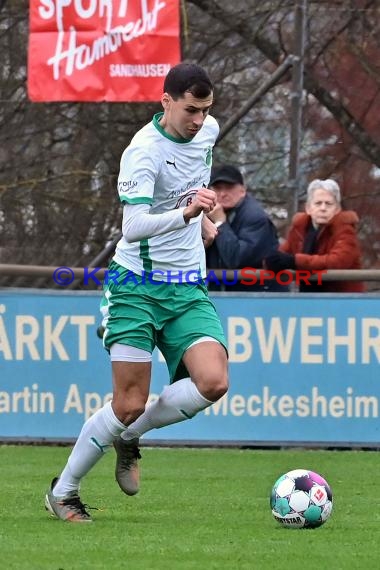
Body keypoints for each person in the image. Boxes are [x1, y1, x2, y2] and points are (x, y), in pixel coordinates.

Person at [45, 63, 229, 522]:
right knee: (126, 404)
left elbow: (189, 188)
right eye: (190, 109)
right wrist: (187, 215)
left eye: (205, 110)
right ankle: (64, 492)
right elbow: (132, 228)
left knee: (213, 382)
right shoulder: (142, 151)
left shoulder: (208, 132)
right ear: (165, 101)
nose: (199, 120)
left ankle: (129, 438)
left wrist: (203, 219)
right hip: (137, 288)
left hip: (187, 285)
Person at [265, 178, 365, 292]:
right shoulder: (300, 227)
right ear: (308, 208)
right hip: (308, 298)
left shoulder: (345, 229)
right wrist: (273, 260)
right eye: (318, 203)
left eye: (328, 204)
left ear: (337, 209)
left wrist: (295, 261)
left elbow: (336, 262)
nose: (323, 208)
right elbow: (284, 254)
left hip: (341, 300)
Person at [205, 164, 288, 292]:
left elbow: (236, 259)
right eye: (217, 188)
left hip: (259, 296)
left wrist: (220, 223)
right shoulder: (209, 214)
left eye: (229, 188)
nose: (222, 194)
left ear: (242, 191)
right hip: (226, 293)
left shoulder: (255, 216)